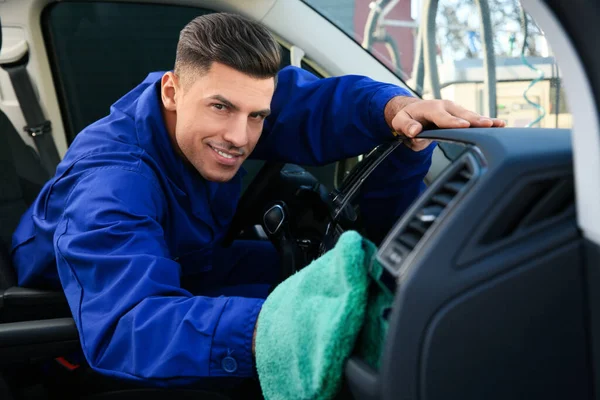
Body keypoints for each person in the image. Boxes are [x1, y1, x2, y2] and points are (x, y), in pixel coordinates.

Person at [10, 12, 504, 391]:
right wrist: (287, 329)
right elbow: (128, 325)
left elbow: (315, 105)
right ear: (172, 91)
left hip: (188, 263)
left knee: (317, 279)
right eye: (221, 108)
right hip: (75, 329)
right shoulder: (112, 183)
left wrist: (399, 110)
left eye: (256, 116)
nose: (238, 136)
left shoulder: (231, 97)